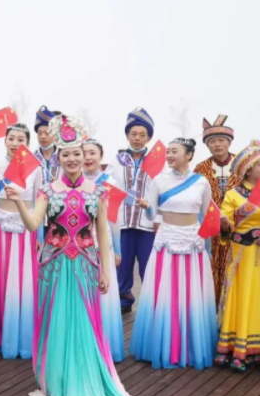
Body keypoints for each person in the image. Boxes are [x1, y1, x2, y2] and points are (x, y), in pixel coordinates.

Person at [6, 115, 143, 396]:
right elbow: (33, 225)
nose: (71, 159)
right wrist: (18, 202)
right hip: (53, 266)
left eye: (76, 154)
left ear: (85, 157)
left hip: (85, 265)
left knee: (84, 323)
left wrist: (105, 270)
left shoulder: (98, 191)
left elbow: (103, 233)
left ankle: (83, 379)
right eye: (65, 154)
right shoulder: (47, 190)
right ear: (59, 157)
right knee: (55, 322)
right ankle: (56, 381)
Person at [129, 138, 217, 369]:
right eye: (167, 151)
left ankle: (191, 346)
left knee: (191, 291)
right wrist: (147, 207)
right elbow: (151, 216)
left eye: (174, 151)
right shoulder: (159, 180)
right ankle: (164, 345)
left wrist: (208, 244)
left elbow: (207, 215)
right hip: (167, 238)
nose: (168, 155)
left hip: (193, 240)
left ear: (189, 155)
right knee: (166, 290)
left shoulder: (201, 182)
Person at [0, 123, 42, 359]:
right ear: (5, 141)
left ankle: (21, 335)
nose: (15, 143)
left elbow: (39, 202)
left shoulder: (35, 168)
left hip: (25, 229)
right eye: (11, 138)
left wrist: (39, 235)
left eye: (20, 139)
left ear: (28, 143)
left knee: (22, 280)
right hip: (0, 227)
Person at [105, 107, 159, 313]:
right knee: (122, 263)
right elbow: (108, 186)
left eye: (142, 135)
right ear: (127, 135)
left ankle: (150, 303)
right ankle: (123, 300)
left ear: (149, 138)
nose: (137, 138)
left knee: (148, 264)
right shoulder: (117, 160)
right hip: (122, 222)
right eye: (133, 134)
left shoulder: (157, 161)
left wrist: (158, 217)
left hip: (147, 223)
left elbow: (162, 189)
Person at [216, 140, 260, 371]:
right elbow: (226, 225)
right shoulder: (233, 194)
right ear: (248, 169)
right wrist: (225, 223)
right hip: (243, 254)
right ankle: (239, 348)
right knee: (243, 295)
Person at [82, 138, 125, 362]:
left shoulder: (110, 182)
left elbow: (115, 219)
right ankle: (83, 343)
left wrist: (117, 249)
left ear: (101, 157)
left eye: (92, 153)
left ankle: (103, 346)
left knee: (103, 293)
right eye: (84, 153)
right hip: (77, 244)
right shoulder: (72, 181)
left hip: (102, 243)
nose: (88, 157)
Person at [194, 115, 240, 305]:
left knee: (235, 265)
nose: (217, 144)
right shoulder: (201, 169)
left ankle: (233, 306)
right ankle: (211, 306)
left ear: (229, 143)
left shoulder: (242, 165)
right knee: (210, 264)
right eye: (212, 141)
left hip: (238, 226)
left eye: (221, 140)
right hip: (210, 226)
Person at [33, 106, 61, 184]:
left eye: (47, 133)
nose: (43, 136)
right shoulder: (32, 158)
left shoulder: (63, 156)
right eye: (39, 133)